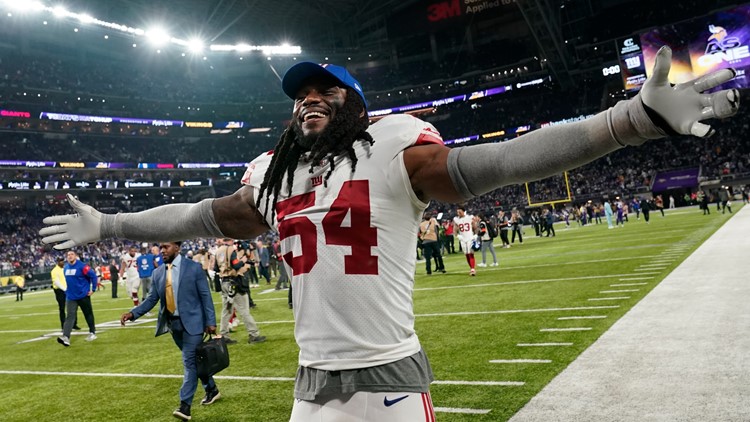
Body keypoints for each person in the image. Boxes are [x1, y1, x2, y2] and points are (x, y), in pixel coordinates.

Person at [40, 51, 740, 421]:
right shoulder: (271, 174)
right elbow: (196, 217)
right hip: (311, 389)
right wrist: (110, 223)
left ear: (356, 105)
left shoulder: (393, 146)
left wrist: (630, 120)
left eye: (326, 89)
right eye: (299, 93)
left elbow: (496, 161)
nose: (308, 97)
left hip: (389, 386)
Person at [119, 242, 221, 421]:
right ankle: (211, 389)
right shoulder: (157, 273)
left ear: (177, 248)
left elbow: (205, 295)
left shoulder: (193, 268)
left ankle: (185, 406)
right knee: (196, 362)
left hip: (194, 324)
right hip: (174, 326)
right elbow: (151, 299)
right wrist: (132, 313)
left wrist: (211, 321)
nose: (162, 251)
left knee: (189, 362)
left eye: (166, 247)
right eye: (161, 247)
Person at [215, 238, 266, 345]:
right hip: (234, 283)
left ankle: (224, 335)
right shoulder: (230, 250)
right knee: (244, 310)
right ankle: (254, 334)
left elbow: (215, 268)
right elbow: (236, 265)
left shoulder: (218, 250)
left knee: (227, 310)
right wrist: (243, 260)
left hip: (224, 282)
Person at [58, 250, 98, 346]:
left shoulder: (83, 266)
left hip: (83, 295)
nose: (70, 256)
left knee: (87, 314)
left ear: (75, 256)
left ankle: (92, 332)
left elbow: (93, 276)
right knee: (70, 316)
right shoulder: (66, 268)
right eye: (68, 255)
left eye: (72, 254)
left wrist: (93, 289)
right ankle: (66, 337)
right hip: (71, 297)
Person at [51, 256, 80, 330]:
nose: (62, 262)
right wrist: (65, 289)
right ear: (57, 262)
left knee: (73, 307)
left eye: (62, 261)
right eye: (60, 261)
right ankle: (63, 325)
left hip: (68, 289)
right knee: (62, 308)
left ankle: (74, 323)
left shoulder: (66, 268)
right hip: (60, 291)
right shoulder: (54, 271)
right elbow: (56, 282)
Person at [453, 205, 478, 276]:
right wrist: (457, 236)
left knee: (471, 253)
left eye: (459, 212)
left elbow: (475, 227)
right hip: (463, 239)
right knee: (466, 254)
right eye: (457, 212)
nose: (458, 213)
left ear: (464, 211)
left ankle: (473, 269)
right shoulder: (456, 219)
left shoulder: (470, 217)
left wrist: (476, 235)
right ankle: (471, 269)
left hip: (470, 237)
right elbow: (454, 229)